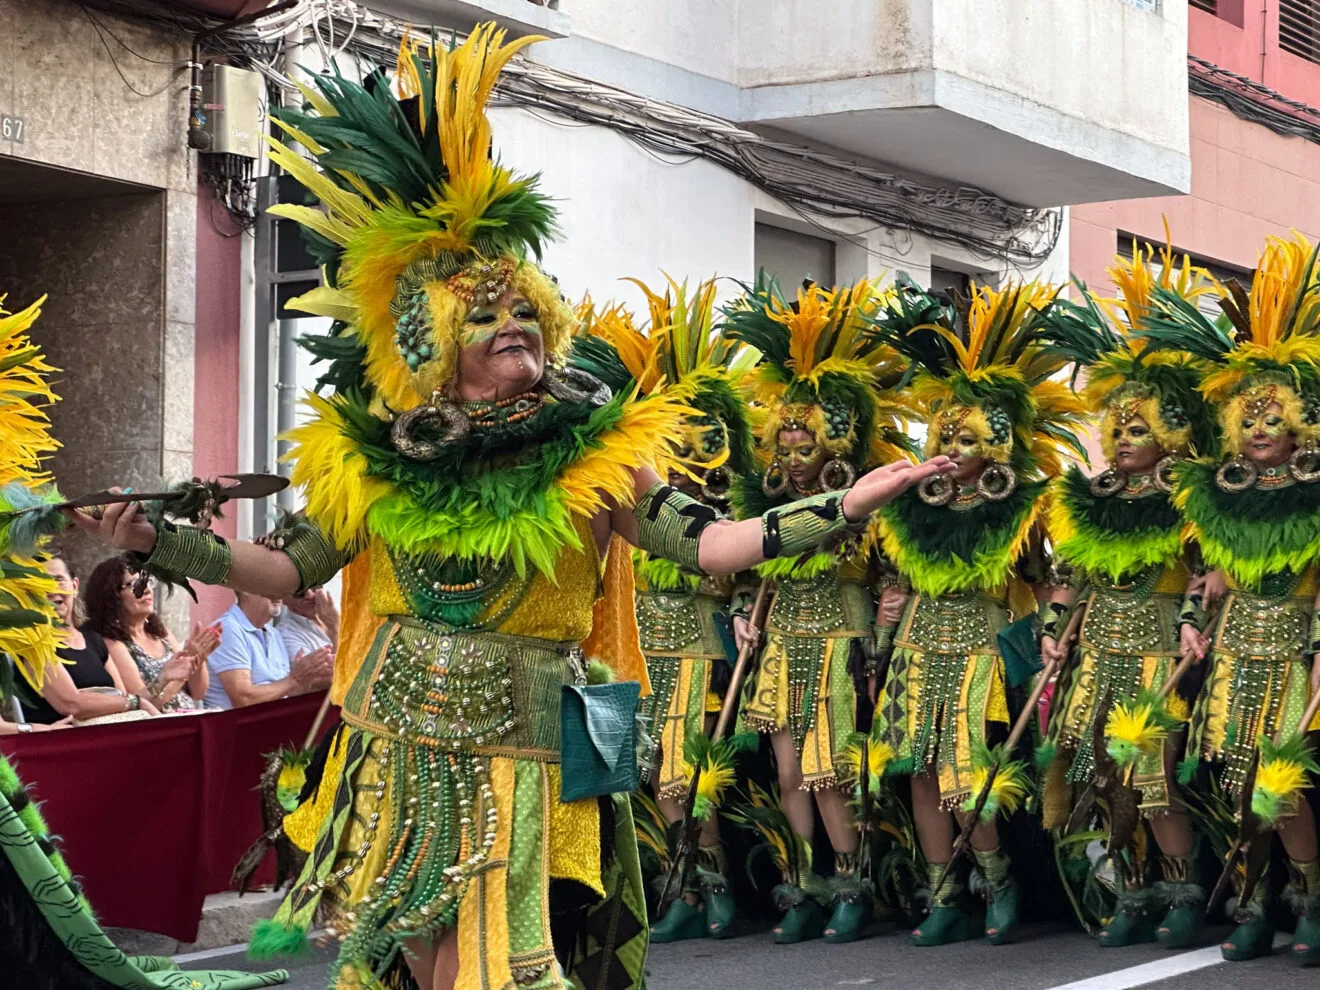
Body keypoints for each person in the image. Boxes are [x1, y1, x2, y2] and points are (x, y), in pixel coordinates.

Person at [68, 26, 947, 990]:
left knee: (492, 965)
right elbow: (283, 571)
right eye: (481, 315)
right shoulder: (378, 461)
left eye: (523, 307)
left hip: (519, 756)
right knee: (407, 952)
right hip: (398, 738)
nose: (511, 324)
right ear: (434, 341)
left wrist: (846, 504)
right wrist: (164, 540)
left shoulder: (596, 456)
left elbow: (710, 547)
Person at [868, 279, 1088, 947]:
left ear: (998, 438)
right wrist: (887, 614)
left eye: (971, 434)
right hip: (915, 650)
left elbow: (1061, 576)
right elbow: (885, 575)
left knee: (968, 778)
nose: (957, 445)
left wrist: (1051, 635)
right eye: (949, 432)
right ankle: (942, 894)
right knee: (920, 774)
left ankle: (997, 883)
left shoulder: (1025, 502)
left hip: (981, 654)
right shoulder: (908, 502)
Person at [1141, 233, 1320, 966]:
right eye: (1247, 418)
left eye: (1271, 418)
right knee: (1238, 779)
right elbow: (1202, 573)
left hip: (1292, 648)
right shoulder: (1218, 495)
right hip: (1236, 645)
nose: (1256, 430)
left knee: (1282, 783)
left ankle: (1307, 902)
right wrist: (1190, 622)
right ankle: (1250, 903)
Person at [1035, 242, 1217, 948]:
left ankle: (1183, 889)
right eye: (1117, 425)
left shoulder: (1188, 497)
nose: (1122, 437)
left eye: (1138, 427)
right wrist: (1053, 629)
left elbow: (1210, 574)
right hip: (1096, 654)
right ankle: (1131, 889)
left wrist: (1194, 622)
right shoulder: (1092, 496)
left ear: (1169, 431)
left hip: (1155, 652)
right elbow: (1069, 576)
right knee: (1095, 772)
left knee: (1153, 778)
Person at [724, 274, 916, 944]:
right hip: (780, 646)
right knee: (786, 773)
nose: (795, 459)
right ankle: (801, 882)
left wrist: (882, 648)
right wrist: (746, 612)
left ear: (835, 446)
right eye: (786, 446)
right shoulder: (766, 503)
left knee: (830, 773)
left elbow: (896, 581)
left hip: (842, 646)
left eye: (808, 448)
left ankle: (852, 884)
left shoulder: (865, 510)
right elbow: (747, 572)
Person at [574, 277, 758, 942]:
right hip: (633, 646)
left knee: (683, 775)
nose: (683, 449)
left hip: (694, 652)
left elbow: (732, 561)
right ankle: (670, 882)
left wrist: (738, 604)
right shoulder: (626, 495)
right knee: (645, 779)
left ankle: (711, 882)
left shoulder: (706, 510)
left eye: (695, 437)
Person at [22, 555, 162, 724]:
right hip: (66, 742)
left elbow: (121, 697)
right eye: (40, 585)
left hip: (109, 732)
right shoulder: (31, 643)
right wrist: (136, 702)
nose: (51, 590)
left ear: (74, 586)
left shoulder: (93, 639)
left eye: (58, 580)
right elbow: (71, 704)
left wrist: (167, 678)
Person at [82, 555, 215, 713]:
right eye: (135, 584)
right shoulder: (112, 643)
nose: (146, 590)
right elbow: (141, 704)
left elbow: (199, 693)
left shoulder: (161, 633)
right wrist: (180, 675)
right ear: (112, 596)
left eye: (148, 582)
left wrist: (197, 660)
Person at [205, 589, 332, 711]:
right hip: (236, 729)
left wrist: (306, 678)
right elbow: (244, 699)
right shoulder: (229, 629)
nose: (278, 592)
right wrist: (295, 679)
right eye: (269, 585)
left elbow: (284, 693)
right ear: (245, 589)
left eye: (280, 585)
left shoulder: (274, 634)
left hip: (273, 725)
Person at [277, 586, 339, 657]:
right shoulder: (286, 635)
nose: (310, 596)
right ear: (284, 599)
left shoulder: (335, 614)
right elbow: (334, 667)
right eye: (300, 591)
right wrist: (334, 629)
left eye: (314, 587)